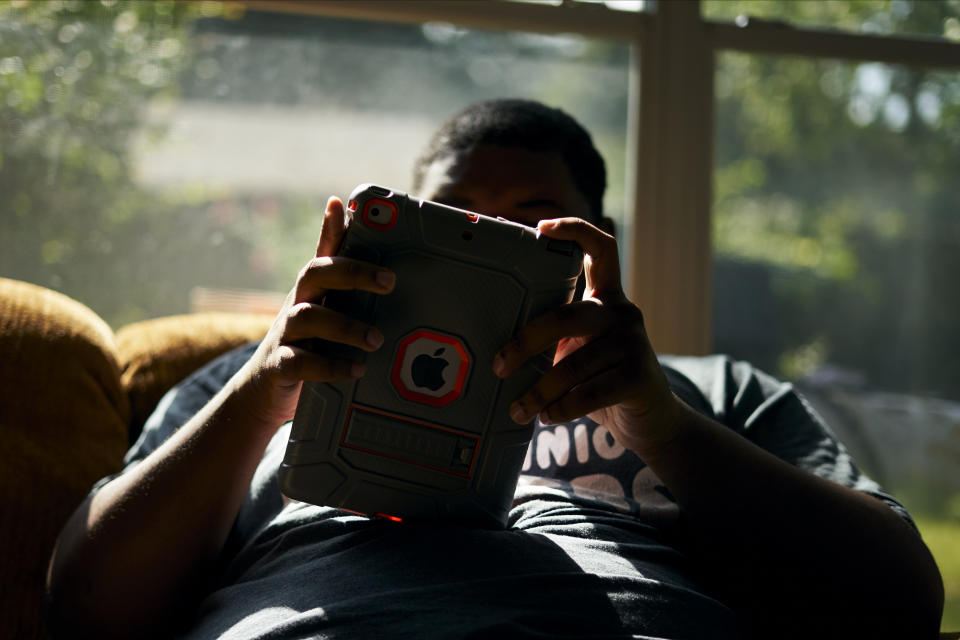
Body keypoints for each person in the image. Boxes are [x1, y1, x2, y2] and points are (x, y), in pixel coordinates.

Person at [46, 99, 943, 639]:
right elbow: (84, 611)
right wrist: (259, 396)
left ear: (596, 244)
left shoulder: (710, 393)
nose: (487, 244)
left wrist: (660, 425)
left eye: (532, 224)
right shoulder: (262, 375)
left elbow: (898, 605)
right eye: (453, 216)